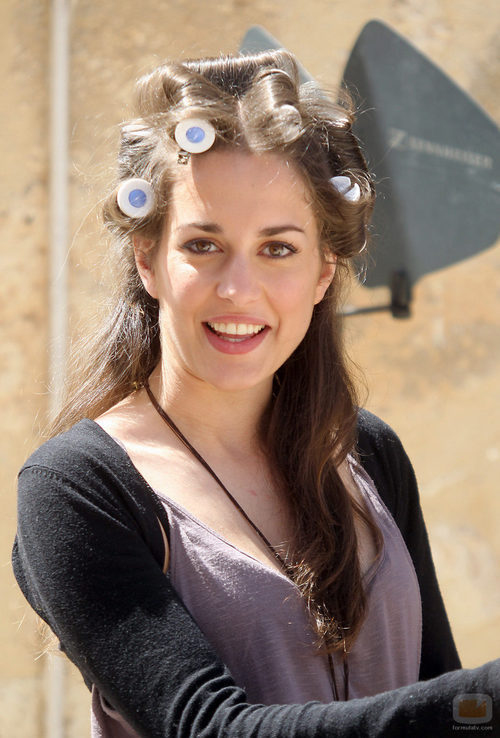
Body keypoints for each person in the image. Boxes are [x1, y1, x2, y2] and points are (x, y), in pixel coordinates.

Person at [12, 50, 499, 737]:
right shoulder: (77, 488)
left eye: (278, 249)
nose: (238, 289)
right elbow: (210, 728)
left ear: (325, 271)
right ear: (148, 260)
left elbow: (445, 700)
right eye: (203, 246)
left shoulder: (369, 452)